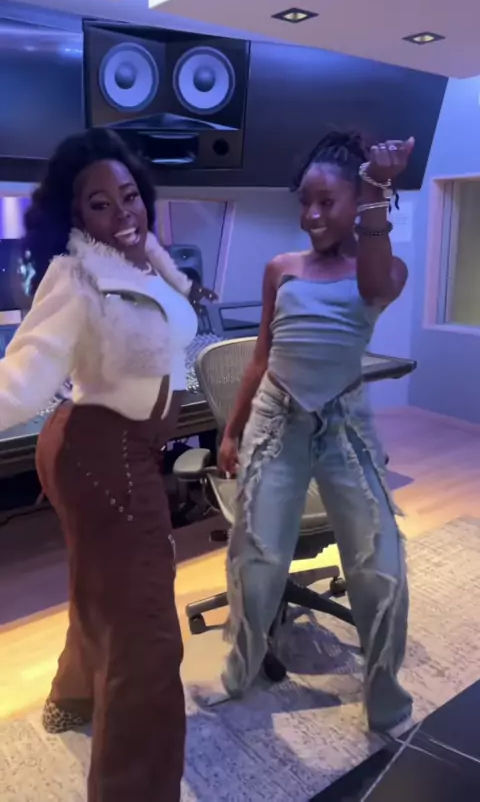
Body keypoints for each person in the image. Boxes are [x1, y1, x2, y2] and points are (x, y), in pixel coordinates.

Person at [0, 128, 214, 802]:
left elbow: (168, 326)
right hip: (104, 455)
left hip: (115, 448)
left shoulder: (145, 258)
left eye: (129, 196)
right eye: (100, 204)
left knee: (104, 591)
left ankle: (73, 697)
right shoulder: (77, 275)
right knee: (146, 633)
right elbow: (21, 382)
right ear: (75, 215)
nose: (123, 213)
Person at [216, 131, 415, 737]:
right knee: (256, 558)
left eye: (327, 202)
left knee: (379, 563)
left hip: (344, 424)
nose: (310, 215)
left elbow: (375, 288)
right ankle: (242, 663)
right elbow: (260, 357)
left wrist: (378, 188)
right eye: (304, 202)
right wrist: (231, 431)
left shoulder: (381, 270)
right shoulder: (281, 270)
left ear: (357, 202)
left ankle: (384, 689)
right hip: (276, 420)